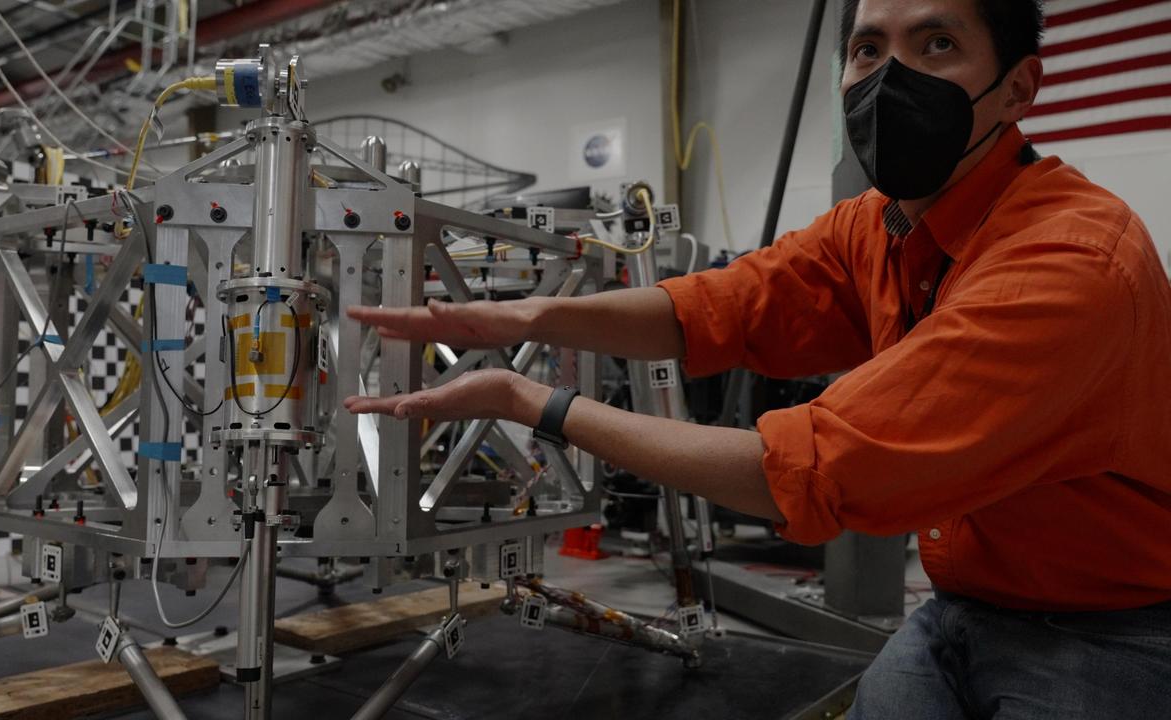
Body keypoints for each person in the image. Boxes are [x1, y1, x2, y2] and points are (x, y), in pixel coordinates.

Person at [344, 0, 1171, 716]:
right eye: (868, 49)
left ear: (1020, 87)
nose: (891, 78)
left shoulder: (1068, 265)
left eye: (937, 46)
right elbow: (724, 304)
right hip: (967, 601)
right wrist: (529, 314)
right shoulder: (881, 226)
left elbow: (815, 469)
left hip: (1110, 628)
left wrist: (536, 405)